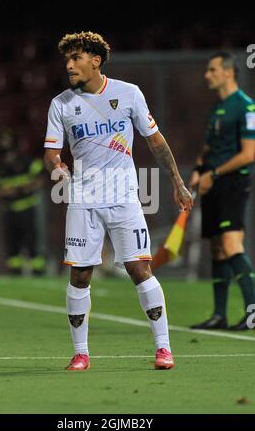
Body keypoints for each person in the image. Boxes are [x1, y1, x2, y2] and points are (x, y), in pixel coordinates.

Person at [44, 31, 193, 370]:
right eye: (67, 60)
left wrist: (177, 182)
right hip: (83, 199)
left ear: (95, 60)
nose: (69, 65)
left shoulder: (129, 94)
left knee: (140, 268)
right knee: (80, 275)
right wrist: (58, 167)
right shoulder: (61, 104)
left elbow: (156, 141)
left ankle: (164, 348)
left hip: (124, 197)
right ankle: (81, 353)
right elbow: (51, 152)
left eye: (76, 58)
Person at [189, 51, 255, 331]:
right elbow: (208, 148)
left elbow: (249, 154)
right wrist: (198, 169)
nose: (207, 75)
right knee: (217, 249)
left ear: (229, 72)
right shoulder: (216, 109)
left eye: (213, 69)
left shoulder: (246, 107)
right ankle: (219, 314)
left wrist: (213, 174)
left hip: (231, 182)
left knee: (230, 244)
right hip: (212, 183)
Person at [0, 129, 47, 275]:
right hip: (9, 210)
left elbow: (42, 179)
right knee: (12, 244)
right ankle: (15, 271)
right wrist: (9, 191)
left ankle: (38, 270)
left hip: (28, 208)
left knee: (33, 241)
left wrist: (23, 188)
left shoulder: (28, 161)